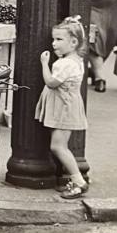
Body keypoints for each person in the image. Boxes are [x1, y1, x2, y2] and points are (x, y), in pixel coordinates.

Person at [35, 16, 89, 200]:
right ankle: (76, 180)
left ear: (73, 42)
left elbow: (51, 82)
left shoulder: (65, 64)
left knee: (58, 147)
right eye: (53, 39)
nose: (54, 43)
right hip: (67, 106)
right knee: (59, 145)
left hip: (64, 108)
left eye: (59, 40)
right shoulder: (76, 60)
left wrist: (44, 64)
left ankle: (79, 182)